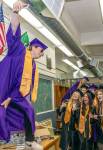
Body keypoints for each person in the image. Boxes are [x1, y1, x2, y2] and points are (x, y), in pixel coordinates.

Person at [0, 1, 48, 149]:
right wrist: (15, 12)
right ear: (33, 47)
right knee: (26, 111)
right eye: (41, 51)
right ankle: (23, 139)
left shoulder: (33, 65)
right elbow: (14, 33)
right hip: (9, 93)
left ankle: (25, 141)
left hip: (18, 98)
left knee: (23, 117)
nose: (41, 55)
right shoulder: (19, 51)